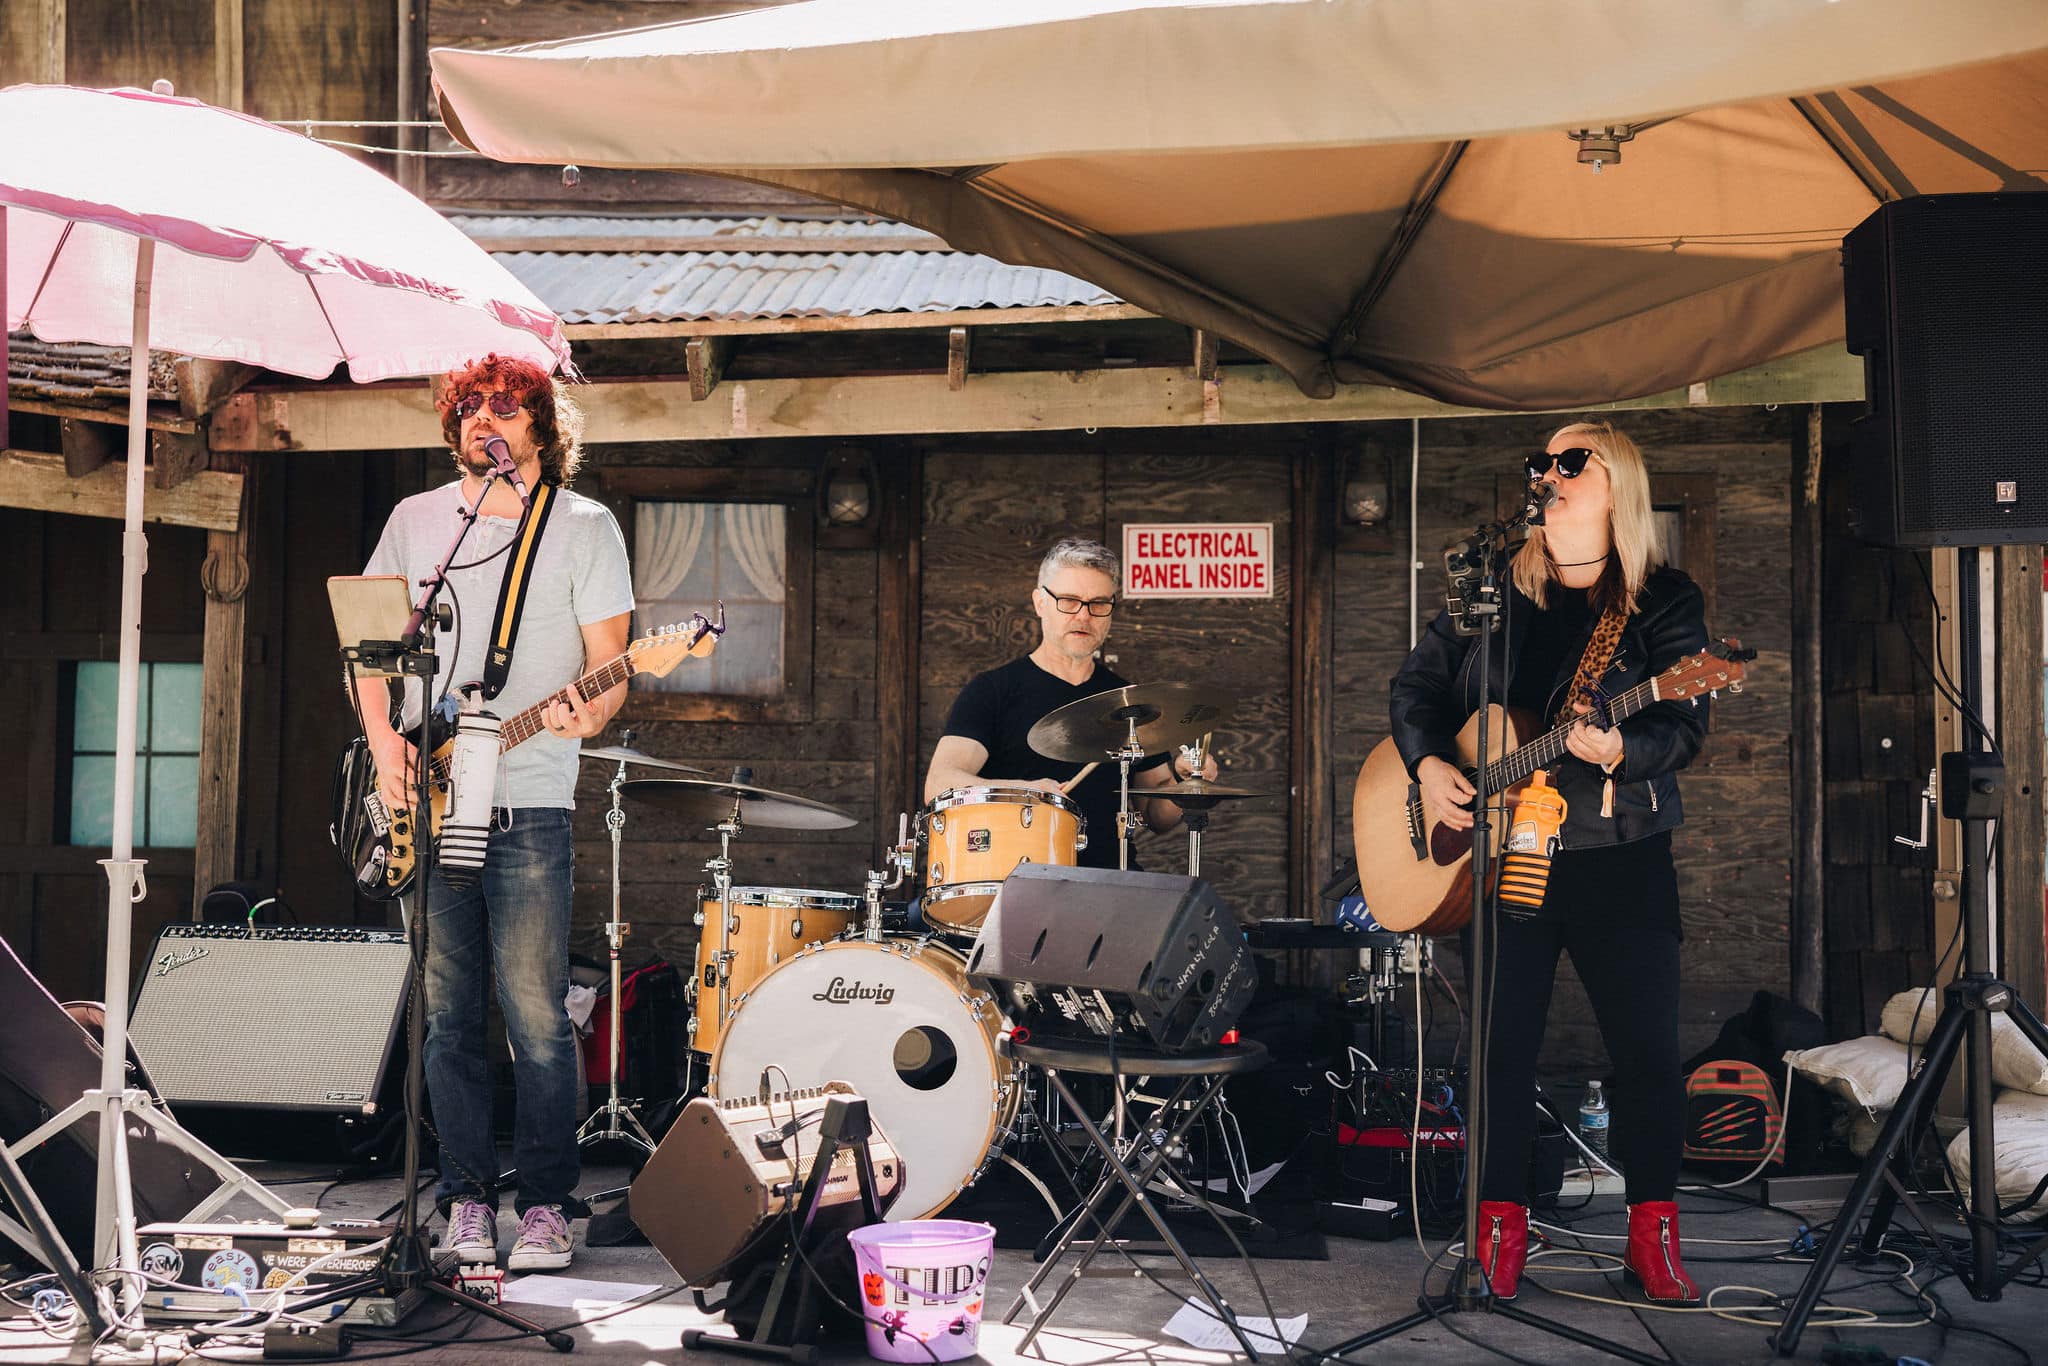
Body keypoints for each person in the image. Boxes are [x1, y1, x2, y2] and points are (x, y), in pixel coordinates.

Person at [1387, 421, 1708, 1304]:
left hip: (1619, 857)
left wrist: (1619, 750)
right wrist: (1429, 764)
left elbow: (1683, 725)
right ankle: (1498, 1233)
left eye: (1573, 462)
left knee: (1647, 1054)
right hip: (1502, 858)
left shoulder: (1661, 599)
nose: (1550, 474)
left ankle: (1654, 1234)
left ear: (1618, 486)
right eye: (1541, 462)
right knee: (1499, 1052)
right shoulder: (1492, 589)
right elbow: (1416, 687)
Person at [359, 354, 634, 1272]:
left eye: (507, 406)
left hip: (529, 796)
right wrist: (388, 749)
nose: (487, 418)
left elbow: (611, 666)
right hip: (428, 800)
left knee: (535, 1015)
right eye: (471, 406)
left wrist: (592, 709)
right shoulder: (417, 521)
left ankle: (548, 1203)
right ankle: (466, 1199)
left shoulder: (583, 525)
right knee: (447, 1016)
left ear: (542, 425)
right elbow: (370, 651)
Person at [925, 537, 1219, 869]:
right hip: (1017, 882)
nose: (1084, 616)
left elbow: (1157, 816)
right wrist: (1028, 793)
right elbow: (939, 783)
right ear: (1040, 602)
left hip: (1107, 883)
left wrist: (1188, 783)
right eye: (1069, 601)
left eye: (1098, 603)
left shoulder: (1131, 701)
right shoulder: (991, 691)